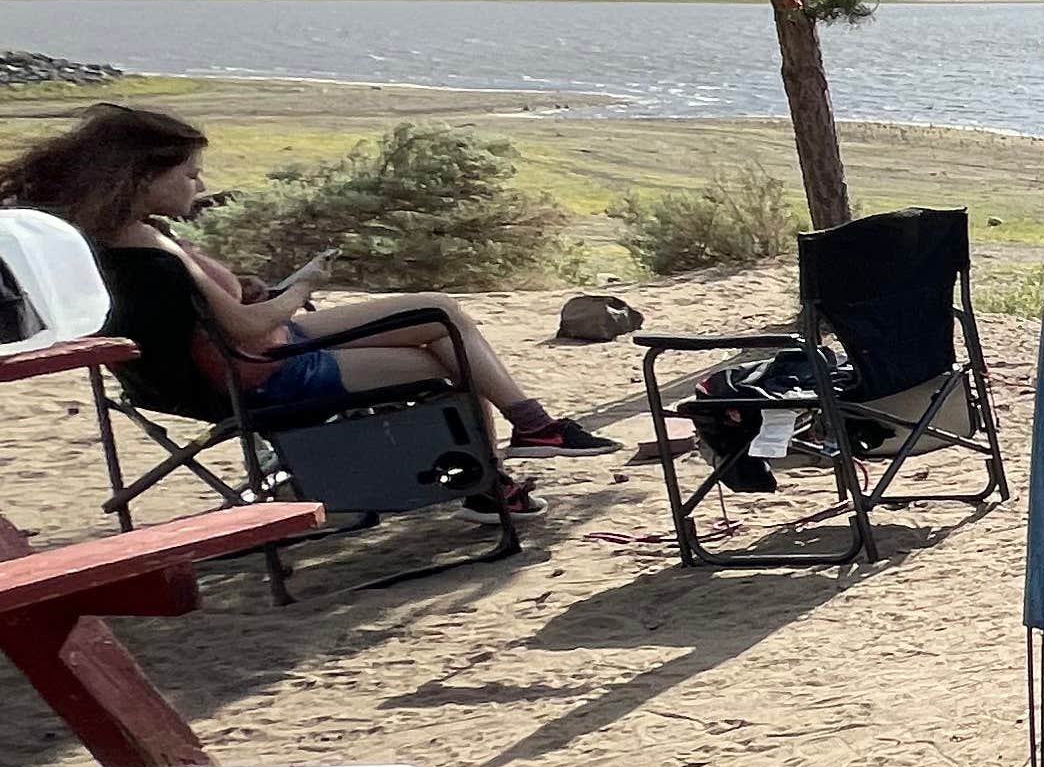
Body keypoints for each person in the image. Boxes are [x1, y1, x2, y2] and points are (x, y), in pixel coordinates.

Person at [0, 103, 621, 504]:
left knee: (440, 311)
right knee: (447, 353)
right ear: (141, 177)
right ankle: (500, 477)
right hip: (263, 373)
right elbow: (247, 324)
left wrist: (241, 286)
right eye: (189, 174)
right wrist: (301, 286)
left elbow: (198, 311)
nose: (200, 184)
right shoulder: (145, 246)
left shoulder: (97, 239)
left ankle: (532, 432)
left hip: (220, 365)